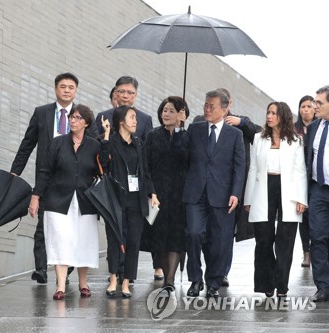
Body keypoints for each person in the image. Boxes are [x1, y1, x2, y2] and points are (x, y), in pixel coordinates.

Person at [10, 72, 98, 284]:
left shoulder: (84, 115)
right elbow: (27, 143)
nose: (67, 90)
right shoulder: (42, 113)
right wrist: (15, 171)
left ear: (75, 91)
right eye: (62, 86)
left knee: (70, 228)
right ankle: (41, 268)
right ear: (55, 89)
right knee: (44, 224)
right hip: (48, 176)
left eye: (71, 87)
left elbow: (93, 148)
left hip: (73, 180)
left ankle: (65, 268)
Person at [177, 89, 245, 298]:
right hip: (195, 194)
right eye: (205, 105)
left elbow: (239, 166)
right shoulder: (194, 129)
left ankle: (214, 282)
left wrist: (235, 193)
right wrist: (180, 128)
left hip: (223, 196)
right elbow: (180, 154)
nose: (206, 109)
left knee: (219, 240)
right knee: (194, 234)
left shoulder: (235, 135)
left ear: (224, 110)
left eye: (211, 106)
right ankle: (195, 280)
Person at [31, 105, 100, 300]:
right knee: (60, 240)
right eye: (71, 117)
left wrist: (109, 139)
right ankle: (60, 286)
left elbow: (104, 169)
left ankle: (83, 283)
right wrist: (36, 196)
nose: (72, 120)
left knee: (83, 241)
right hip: (57, 200)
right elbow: (45, 171)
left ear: (86, 123)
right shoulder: (57, 143)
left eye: (78, 118)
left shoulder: (94, 145)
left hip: (85, 202)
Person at [194, 88, 261, 287]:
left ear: (228, 105)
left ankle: (221, 272)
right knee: (201, 233)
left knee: (225, 234)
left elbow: (259, 133)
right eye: (208, 104)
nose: (209, 108)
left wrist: (241, 123)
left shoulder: (240, 123)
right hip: (202, 190)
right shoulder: (200, 121)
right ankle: (208, 270)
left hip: (229, 190)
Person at [244, 101, 307, 297]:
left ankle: (282, 285)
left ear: (283, 116)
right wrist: (248, 198)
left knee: (285, 241)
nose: (269, 116)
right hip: (263, 189)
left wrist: (301, 199)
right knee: (263, 240)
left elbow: (300, 171)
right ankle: (266, 283)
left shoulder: (295, 141)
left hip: (288, 192)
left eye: (274, 113)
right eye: (268, 112)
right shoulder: (258, 138)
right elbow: (252, 168)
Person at [99, 105, 159, 298]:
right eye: (132, 117)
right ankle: (114, 278)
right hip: (115, 199)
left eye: (136, 118)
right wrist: (106, 136)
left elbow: (146, 171)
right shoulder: (110, 141)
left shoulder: (139, 143)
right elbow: (103, 162)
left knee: (133, 240)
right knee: (115, 240)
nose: (136, 121)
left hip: (136, 199)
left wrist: (152, 193)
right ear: (121, 121)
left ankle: (126, 281)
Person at [140, 96, 189, 291]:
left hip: (180, 195)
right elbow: (146, 166)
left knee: (176, 237)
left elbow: (185, 157)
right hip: (157, 194)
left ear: (181, 114)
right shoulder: (153, 136)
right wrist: (151, 191)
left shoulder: (186, 136)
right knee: (159, 237)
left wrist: (178, 130)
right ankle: (162, 270)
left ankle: (170, 279)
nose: (166, 114)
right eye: (164, 110)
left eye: (171, 111)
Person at [305, 86, 329, 302]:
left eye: (319, 103)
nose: (315, 106)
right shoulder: (313, 128)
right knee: (318, 236)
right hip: (318, 190)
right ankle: (323, 286)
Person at [96, 76, 153, 141]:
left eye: (130, 92)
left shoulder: (145, 119)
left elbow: (148, 147)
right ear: (115, 93)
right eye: (121, 91)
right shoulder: (103, 116)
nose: (125, 96)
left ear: (135, 95)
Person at [294, 95, 315, 268]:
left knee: (315, 216)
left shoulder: (319, 128)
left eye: (309, 106)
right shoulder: (293, 129)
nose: (305, 109)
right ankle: (306, 253)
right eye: (303, 106)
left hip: (315, 178)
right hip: (298, 179)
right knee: (303, 217)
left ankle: (316, 250)